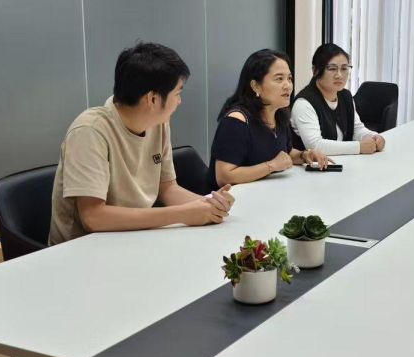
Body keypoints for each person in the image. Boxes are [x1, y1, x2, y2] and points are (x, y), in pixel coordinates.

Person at [49, 42, 234, 245]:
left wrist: (209, 204)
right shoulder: (90, 131)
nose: (179, 101)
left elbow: (167, 189)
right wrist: (183, 214)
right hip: (83, 249)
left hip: (133, 238)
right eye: (177, 93)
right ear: (152, 99)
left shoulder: (158, 123)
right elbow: (93, 217)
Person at [208, 49, 329, 190]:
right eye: (279, 79)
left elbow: (285, 153)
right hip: (231, 200)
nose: (288, 86)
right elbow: (224, 176)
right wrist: (271, 166)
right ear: (256, 86)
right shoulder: (237, 120)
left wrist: (304, 155)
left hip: (265, 193)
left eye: (289, 78)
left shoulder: (279, 114)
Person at [291, 43, 385, 156]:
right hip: (312, 166)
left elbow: (357, 129)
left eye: (344, 68)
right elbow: (315, 145)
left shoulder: (345, 96)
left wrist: (374, 137)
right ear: (315, 71)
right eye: (332, 69)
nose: (339, 75)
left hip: (342, 163)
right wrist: (359, 147)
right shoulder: (303, 103)